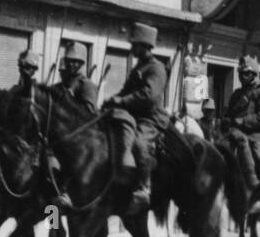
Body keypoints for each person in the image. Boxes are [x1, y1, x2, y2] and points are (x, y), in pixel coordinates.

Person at [102, 23, 169, 210]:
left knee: (139, 144)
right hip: (133, 115)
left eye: (135, 44)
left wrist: (121, 101)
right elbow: (126, 90)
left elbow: (149, 95)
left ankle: (143, 188)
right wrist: (112, 100)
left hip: (152, 118)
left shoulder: (157, 68)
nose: (132, 48)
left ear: (145, 45)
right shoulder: (138, 67)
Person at [45, 42, 97, 209]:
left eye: (76, 62)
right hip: (55, 137)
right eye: (68, 61)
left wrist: (70, 102)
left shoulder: (86, 85)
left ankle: (67, 192)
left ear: (81, 64)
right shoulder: (58, 87)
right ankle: (54, 231)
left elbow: (89, 114)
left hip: (79, 137)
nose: (71, 65)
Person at [223, 55, 260, 217]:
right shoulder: (236, 94)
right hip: (237, 134)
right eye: (240, 73)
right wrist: (225, 120)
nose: (241, 76)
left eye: (245, 73)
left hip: (258, 135)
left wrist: (243, 121)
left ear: (253, 75)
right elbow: (229, 114)